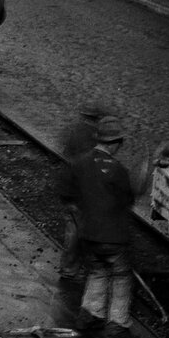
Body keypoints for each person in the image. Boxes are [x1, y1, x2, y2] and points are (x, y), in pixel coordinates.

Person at [74, 116, 139, 338]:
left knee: (96, 271)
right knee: (121, 277)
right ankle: (118, 325)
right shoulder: (117, 169)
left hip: (87, 233)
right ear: (114, 143)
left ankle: (90, 314)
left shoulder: (81, 162)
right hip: (112, 235)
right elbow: (127, 199)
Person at [57, 103, 106, 284]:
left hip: (69, 187)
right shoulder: (91, 138)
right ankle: (70, 269)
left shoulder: (75, 130)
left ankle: (72, 267)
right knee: (76, 229)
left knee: (75, 227)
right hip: (77, 191)